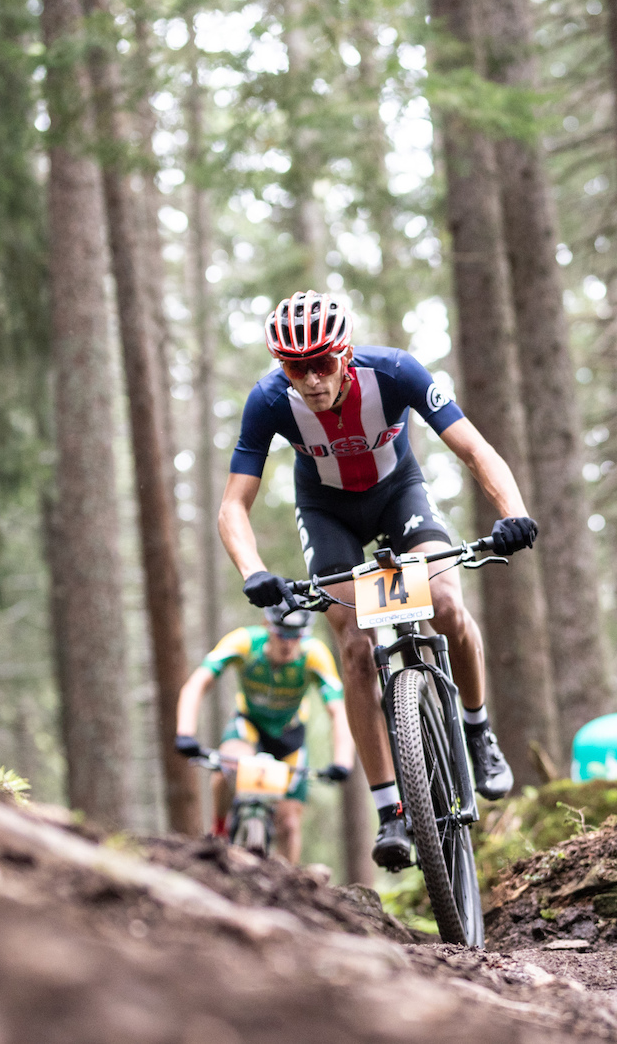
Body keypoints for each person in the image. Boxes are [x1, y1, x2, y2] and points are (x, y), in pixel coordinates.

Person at [214, 290, 536, 870]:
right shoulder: (268, 401)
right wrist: (253, 571)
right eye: (295, 366)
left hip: (399, 497)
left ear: (346, 353)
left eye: (322, 363)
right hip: (328, 512)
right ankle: (392, 812)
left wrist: (511, 511)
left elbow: (474, 448)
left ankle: (477, 727)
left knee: (442, 598)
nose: (310, 379)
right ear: (280, 366)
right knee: (356, 644)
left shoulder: (395, 372)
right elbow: (234, 504)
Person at [174, 602, 357, 864]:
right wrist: (185, 732)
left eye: (297, 636)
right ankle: (219, 828)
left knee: (290, 824)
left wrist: (342, 761)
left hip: (289, 738)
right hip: (249, 727)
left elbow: (338, 710)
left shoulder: (314, 654)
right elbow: (197, 683)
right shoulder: (245, 642)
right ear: (267, 627)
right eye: (281, 633)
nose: (288, 643)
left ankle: (291, 886)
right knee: (228, 764)